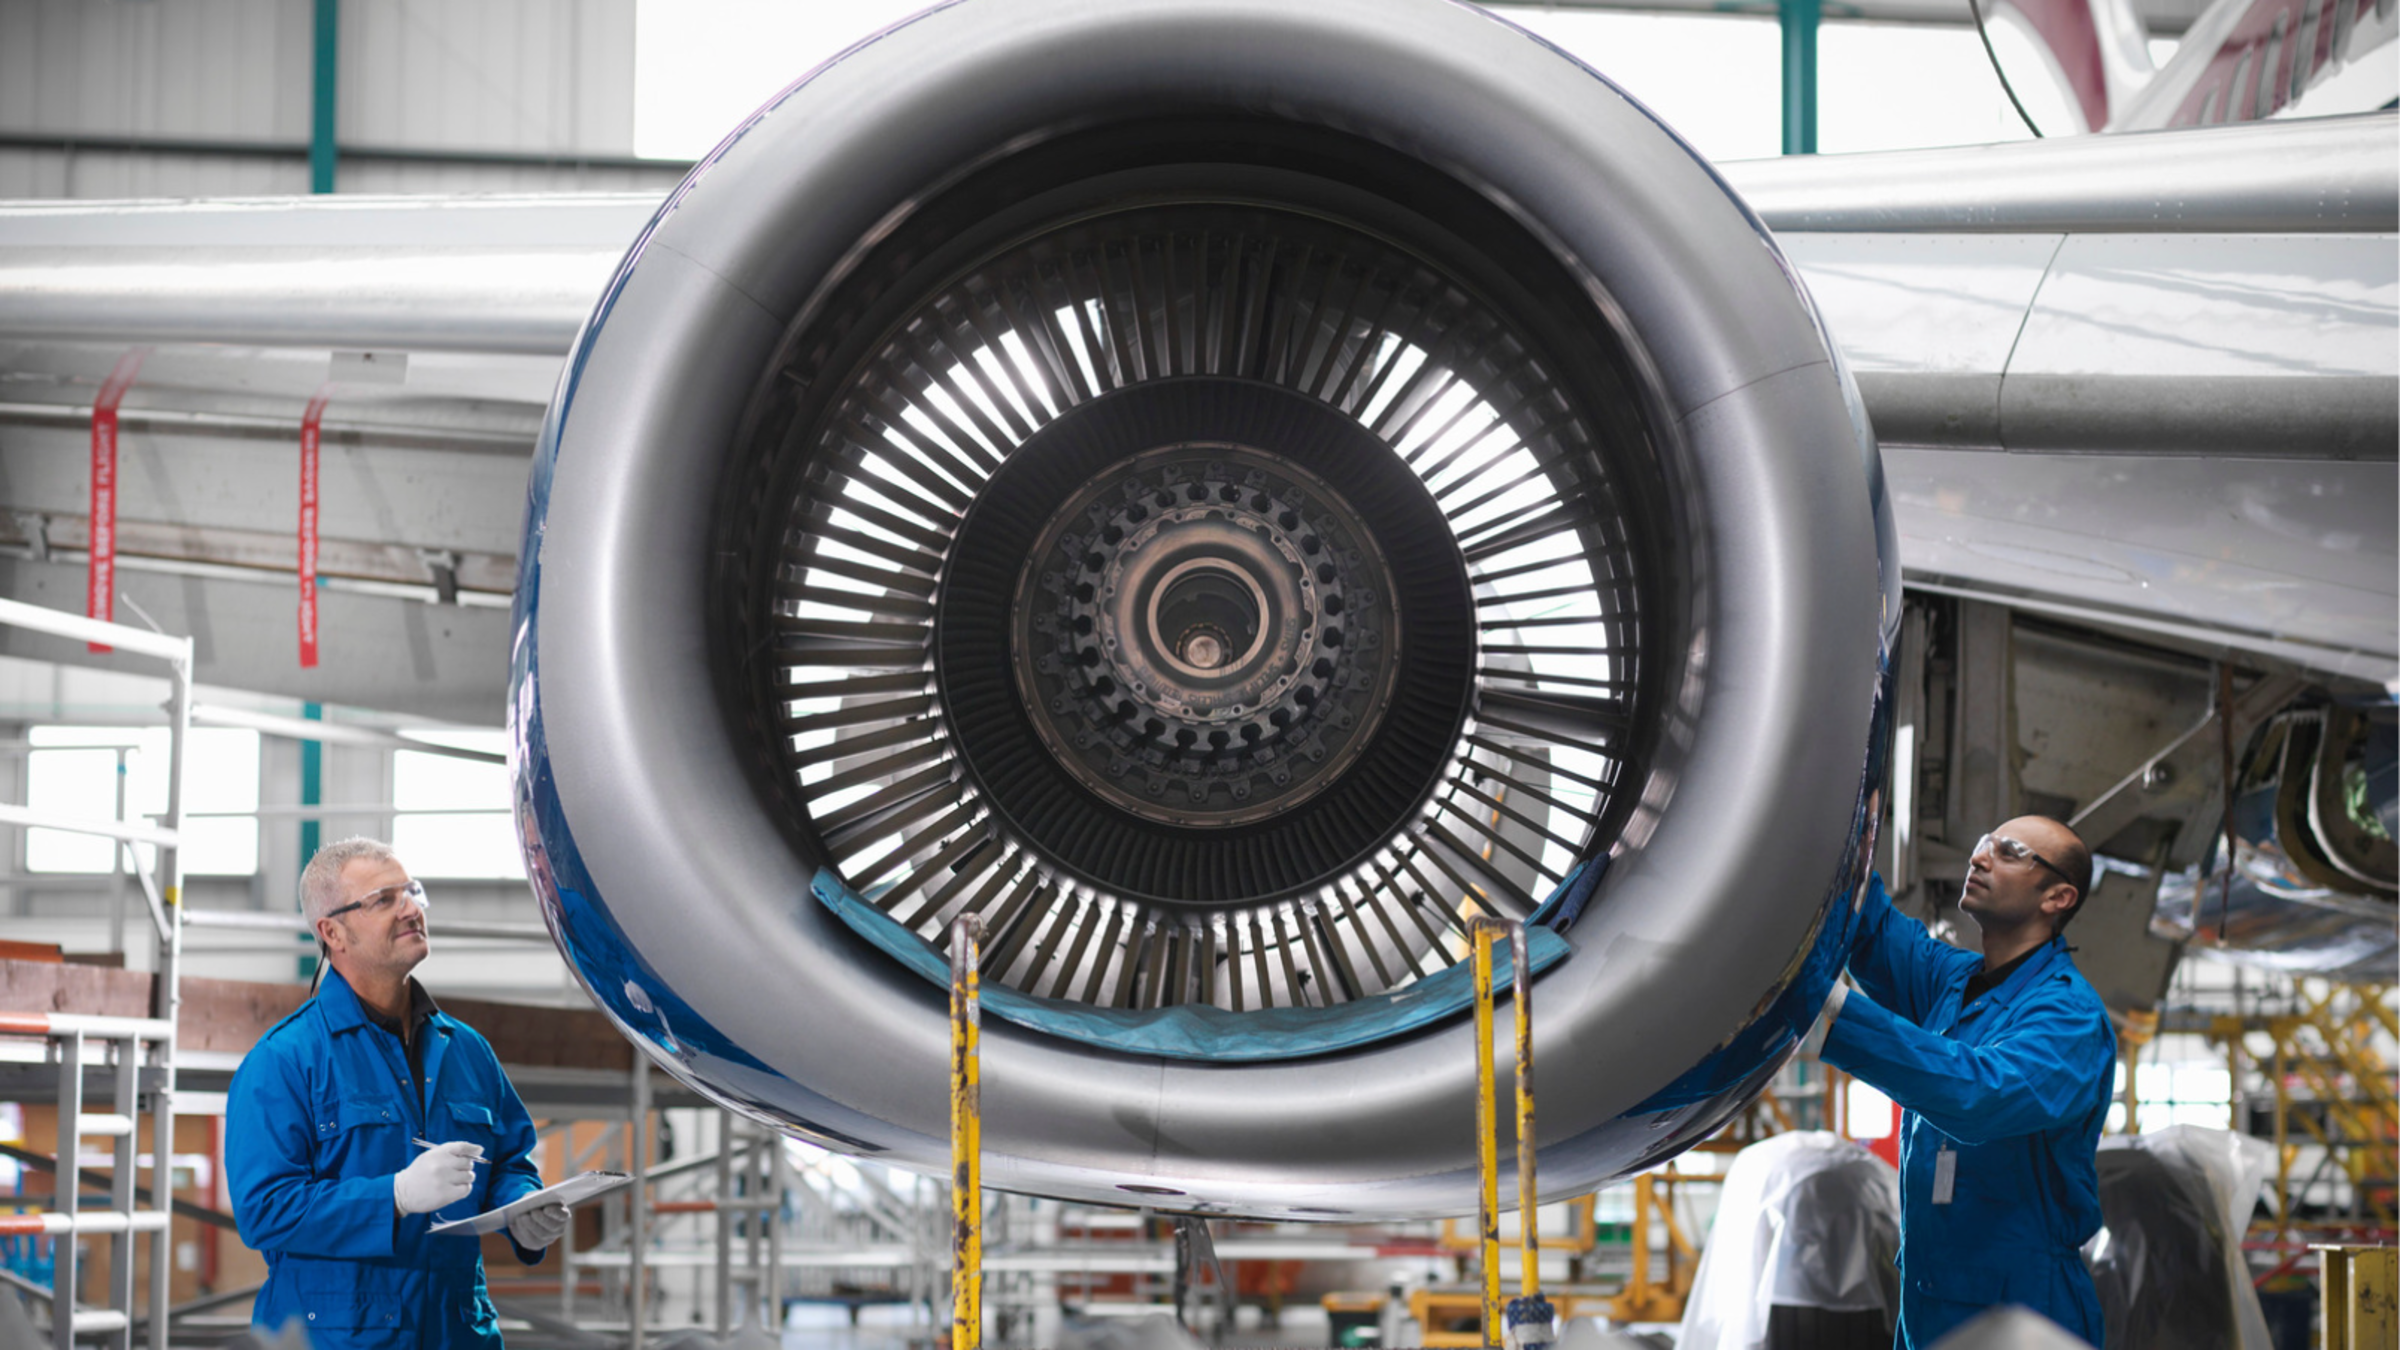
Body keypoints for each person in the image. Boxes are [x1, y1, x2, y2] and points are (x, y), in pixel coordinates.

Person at [229, 838, 570, 1350]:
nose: (411, 908)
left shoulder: (467, 1050)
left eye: (411, 892)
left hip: (458, 1331)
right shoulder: (285, 1060)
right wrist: (394, 1197)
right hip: (336, 1338)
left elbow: (509, 1162)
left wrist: (521, 1209)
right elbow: (265, 1210)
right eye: (384, 899)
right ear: (333, 932)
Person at [1804, 816, 2116, 1348]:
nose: (1979, 857)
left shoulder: (2070, 1016)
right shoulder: (1951, 980)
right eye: (1983, 844)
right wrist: (1836, 824)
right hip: (1928, 1305)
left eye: (2010, 851)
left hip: (2024, 1310)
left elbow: (1980, 1095)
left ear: (2058, 897)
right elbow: (1871, 928)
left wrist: (1832, 1012)